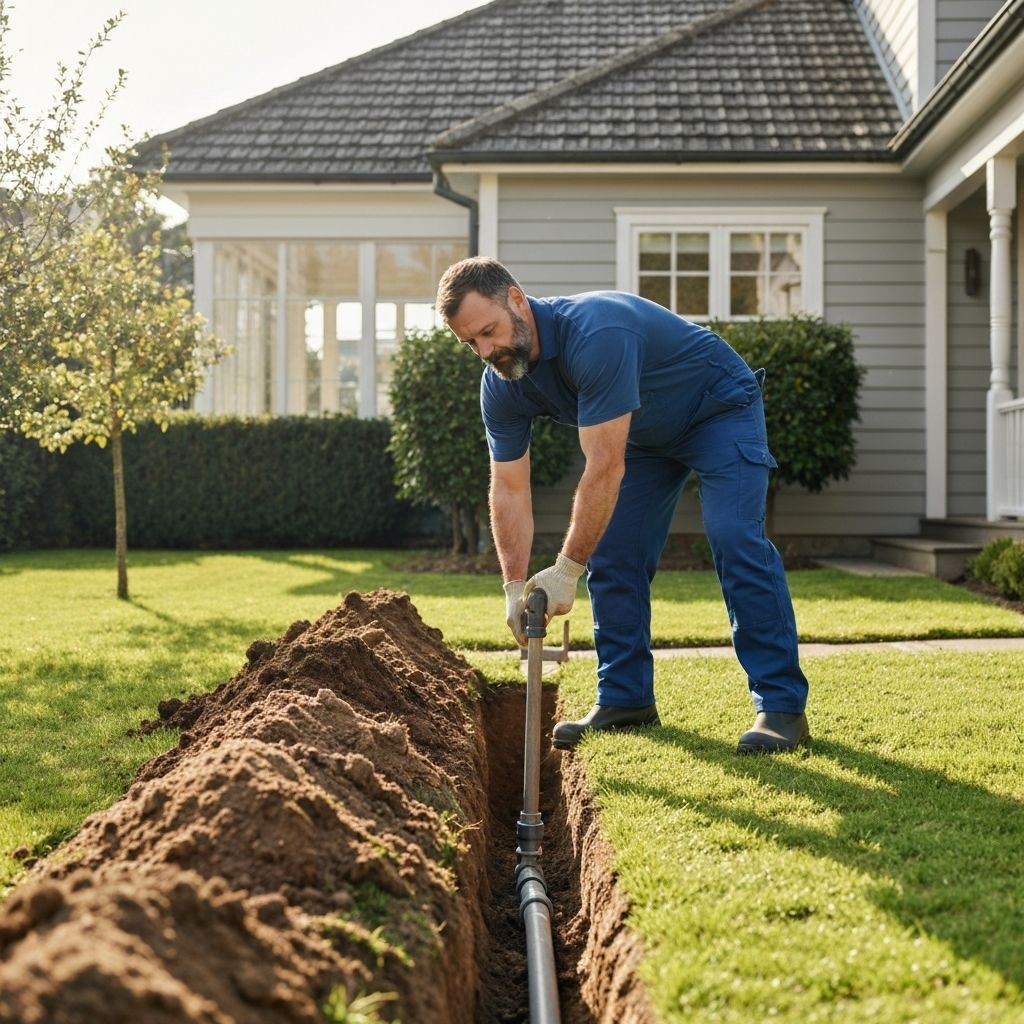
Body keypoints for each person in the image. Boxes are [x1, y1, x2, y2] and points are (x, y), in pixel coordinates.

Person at [436, 256, 809, 754]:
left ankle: (781, 708)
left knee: (735, 539)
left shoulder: (596, 334)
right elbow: (508, 487)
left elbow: (604, 467)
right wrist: (512, 586)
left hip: (718, 409)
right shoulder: (501, 384)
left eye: (489, 331)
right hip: (646, 435)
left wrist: (566, 570)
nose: (486, 351)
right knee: (613, 556)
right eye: (471, 344)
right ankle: (625, 699)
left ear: (518, 301)